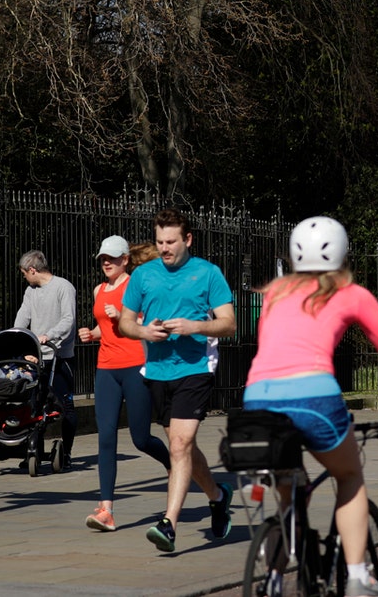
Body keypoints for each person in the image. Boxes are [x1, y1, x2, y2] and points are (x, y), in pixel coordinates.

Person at [245, 216, 378, 597]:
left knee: (290, 492)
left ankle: (273, 580)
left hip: (257, 400)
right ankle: (358, 576)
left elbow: (270, 352)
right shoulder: (351, 295)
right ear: (342, 255)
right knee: (349, 476)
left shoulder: (274, 292)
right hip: (314, 398)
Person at [118, 209, 237, 553]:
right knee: (181, 447)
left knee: (181, 445)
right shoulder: (143, 275)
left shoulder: (208, 273)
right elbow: (125, 323)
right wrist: (143, 331)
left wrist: (194, 326)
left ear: (187, 240)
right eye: (159, 242)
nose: (164, 248)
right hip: (157, 371)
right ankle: (217, 496)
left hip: (196, 367)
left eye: (170, 242)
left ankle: (168, 524)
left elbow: (229, 323)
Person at [77, 235, 172, 532]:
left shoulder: (137, 286)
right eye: (103, 258)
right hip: (106, 369)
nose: (106, 262)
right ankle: (107, 510)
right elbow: (103, 328)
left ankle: (175, 465)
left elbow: (149, 325)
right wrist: (92, 334)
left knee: (140, 439)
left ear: (125, 260)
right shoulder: (99, 290)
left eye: (112, 258)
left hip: (135, 366)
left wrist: (122, 318)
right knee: (105, 438)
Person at [14, 250, 78, 468]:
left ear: (32, 270)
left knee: (65, 405)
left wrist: (48, 336)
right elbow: (23, 317)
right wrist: (15, 337)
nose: (25, 277)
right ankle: (34, 451)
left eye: (24, 273)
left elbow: (68, 320)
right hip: (37, 357)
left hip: (60, 357)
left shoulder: (63, 287)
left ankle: (66, 452)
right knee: (34, 405)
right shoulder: (31, 291)